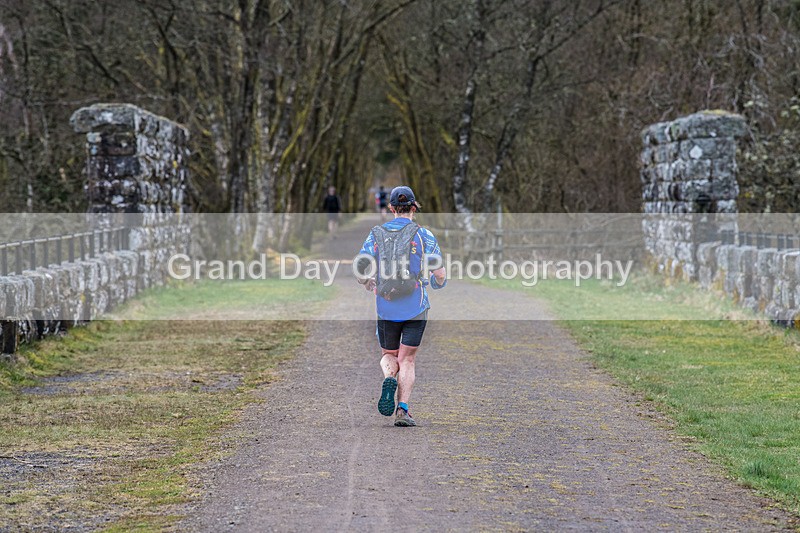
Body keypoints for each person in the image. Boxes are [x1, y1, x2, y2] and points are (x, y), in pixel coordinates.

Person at [355, 186, 447, 427]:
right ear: (414, 207)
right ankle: (403, 410)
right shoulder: (424, 235)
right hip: (415, 305)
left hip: (386, 305)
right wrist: (438, 283)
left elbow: (360, 269)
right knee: (407, 360)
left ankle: (389, 377)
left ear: (392, 208)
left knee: (389, 355)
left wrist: (368, 282)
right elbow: (439, 273)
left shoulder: (375, 234)